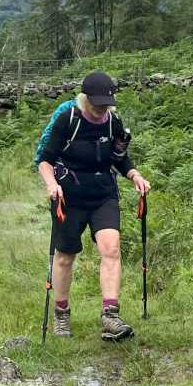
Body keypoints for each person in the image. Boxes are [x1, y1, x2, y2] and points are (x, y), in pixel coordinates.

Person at [37, 71, 151, 341]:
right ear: (85, 99)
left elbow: (119, 158)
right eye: (97, 104)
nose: (102, 109)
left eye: (106, 104)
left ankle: (110, 316)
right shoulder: (68, 119)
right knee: (65, 256)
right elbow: (45, 160)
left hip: (103, 194)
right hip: (69, 197)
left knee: (111, 249)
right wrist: (51, 184)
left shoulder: (113, 122)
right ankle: (61, 314)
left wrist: (135, 175)